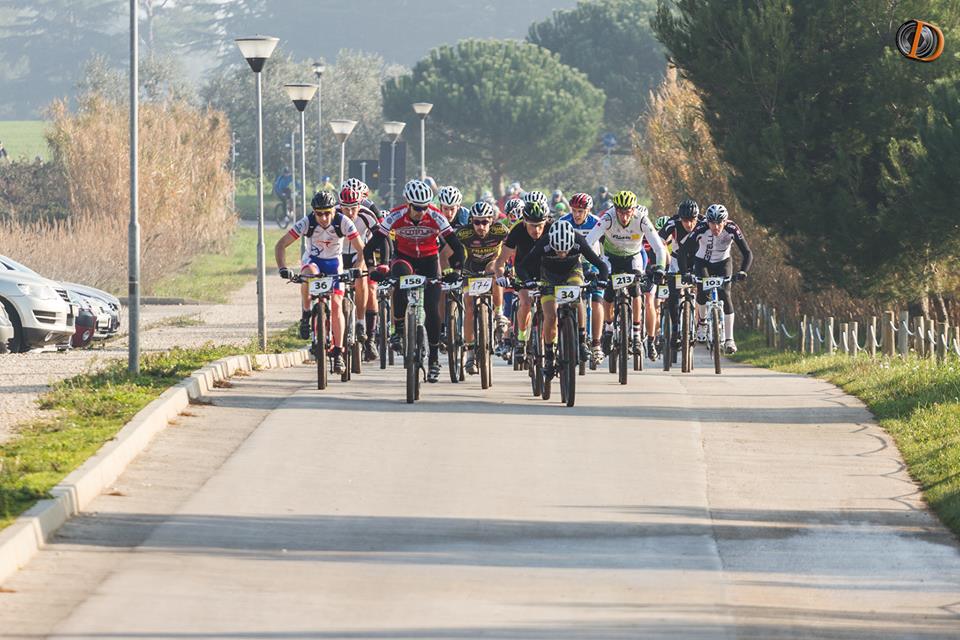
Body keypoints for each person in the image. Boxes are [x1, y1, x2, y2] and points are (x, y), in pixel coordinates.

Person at [363, 179, 465, 383]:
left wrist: (455, 270)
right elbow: (372, 245)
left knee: (433, 309)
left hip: (430, 260)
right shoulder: (396, 215)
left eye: (424, 207)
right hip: (404, 258)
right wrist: (374, 269)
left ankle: (434, 359)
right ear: (408, 203)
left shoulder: (436, 215)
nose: (421, 211)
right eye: (417, 208)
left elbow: (457, 246)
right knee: (400, 277)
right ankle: (399, 328)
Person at [275, 190, 365, 374]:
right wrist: (283, 268)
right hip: (313, 261)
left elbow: (361, 249)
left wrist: (357, 267)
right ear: (313, 212)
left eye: (327, 213)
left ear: (334, 211)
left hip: (334, 264)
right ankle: (306, 315)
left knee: (337, 306)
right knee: (306, 274)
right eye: (319, 213)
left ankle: (338, 352)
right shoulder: (307, 222)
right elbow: (281, 245)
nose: (323, 218)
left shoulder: (343, 222)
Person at [517, 220, 609, 380]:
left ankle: (581, 339)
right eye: (557, 251)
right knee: (550, 316)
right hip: (548, 275)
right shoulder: (544, 242)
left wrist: (602, 280)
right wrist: (528, 281)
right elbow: (522, 266)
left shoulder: (578, 240)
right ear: (551, 242)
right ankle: (550, 355)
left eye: (565, 250)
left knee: (577, 294)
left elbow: (601, 264)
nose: (561, 254)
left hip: (572, 272)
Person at [586, 190, 667, 359]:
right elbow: (588, 242)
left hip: (633, 257)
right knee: (607, 292)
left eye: (627, 212)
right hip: (610, 258)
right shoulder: (608, 218)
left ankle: (637, 333)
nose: (624, 217)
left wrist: (659, 267)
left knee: (636, 289)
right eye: (620, 212)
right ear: (615, 209)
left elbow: (659, 247)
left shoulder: (641, 219)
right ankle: (608, 329)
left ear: (633, 210)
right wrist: (589, 266)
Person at [442, 201, 510, 375]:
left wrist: (513, 267)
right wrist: (448, 272)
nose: (481, 227)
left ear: (492, 220)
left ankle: (499, 313)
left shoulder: (500, 230)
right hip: (470, 268)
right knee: (470, 308)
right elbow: (445, 254)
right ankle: (470, 353)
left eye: (485, 222)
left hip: (491, 264)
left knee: (495, 271)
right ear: (471, 221)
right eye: (477, 222)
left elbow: (515, 247)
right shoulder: (463, 233)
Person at [678, 203, 752, 354]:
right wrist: (685, 272)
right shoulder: (701, 228)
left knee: (725, 294)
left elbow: (747, 253)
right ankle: (703, 323)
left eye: (719, 223)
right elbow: (682, 252)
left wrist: (743, 271)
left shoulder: (732, 228)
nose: (716, 227)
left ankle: (730, 339)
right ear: (708, 222)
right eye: (712, 223)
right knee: (702, 292)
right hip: (702, 262)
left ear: (725, 222)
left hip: (723, 262)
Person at [488, 200, 551, 362]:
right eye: (532, 225)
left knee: (553, 309)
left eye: (540, 225)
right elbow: (501, 261)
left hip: (548, 271)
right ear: (524, 222)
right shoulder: (516, 231)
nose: (536, 230)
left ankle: (554, 344)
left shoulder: (553, 228)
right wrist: (500, 276)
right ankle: (521, 338)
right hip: (524, 271)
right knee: (525, 303)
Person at [560, 193, 605, 365]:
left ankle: (596, 344)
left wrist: (605, 269)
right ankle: (578, 335)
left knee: (596, 301)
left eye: (580, 211)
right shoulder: (564, 221)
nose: (577, 215)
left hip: (592, 264)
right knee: (575, 296)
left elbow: (605, 247)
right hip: (572, 265)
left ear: (588, 210)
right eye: (574, 211)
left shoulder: (596, 222)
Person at [338, 185, 382, 361]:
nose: (349, 212)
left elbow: (382, 236)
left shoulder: (368, 213)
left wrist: (383, 263)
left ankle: (365, 330)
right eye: (345, 207)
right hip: (339, 255)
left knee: (366, 285)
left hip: (362, 252)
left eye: (353, 206)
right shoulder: (333, 213)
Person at [659, 199, 703, 351]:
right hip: (677, 260)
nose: (689, 225)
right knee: (673, 293)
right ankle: (676, 328)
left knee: (703, 291)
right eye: (685, 221)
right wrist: (662, 263)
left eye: (692, 221)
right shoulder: (673, 222)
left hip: (698, 260)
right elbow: (659, 241)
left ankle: (702, 323)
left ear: (697, 218)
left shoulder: (704, 222)